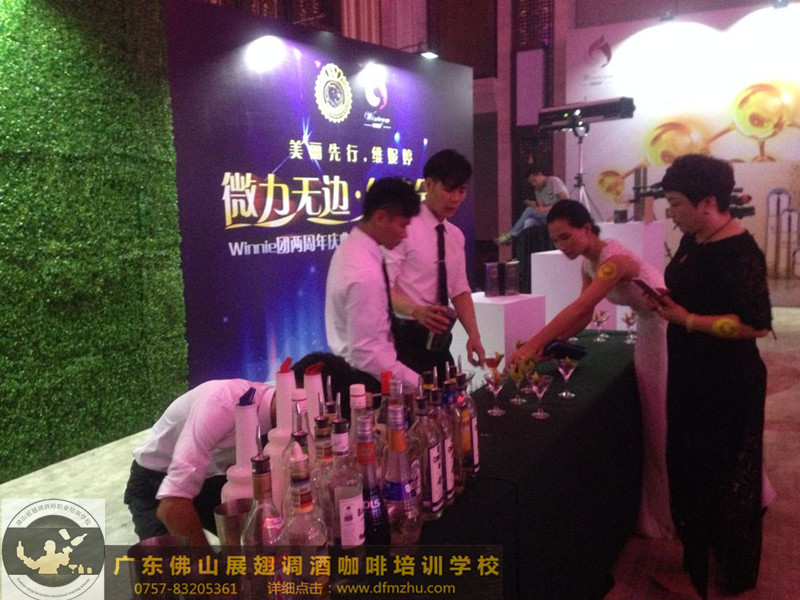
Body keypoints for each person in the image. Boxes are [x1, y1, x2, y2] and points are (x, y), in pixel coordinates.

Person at [509, 199, 674, 540]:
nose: (561, 246)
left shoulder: (613, 260)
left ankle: (672, 511)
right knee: (651, 417)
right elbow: (584, 316)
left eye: (566, 237)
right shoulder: (590, 263)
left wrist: (533, 343)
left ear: (586, 228)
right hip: (647, 332)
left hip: (667, 331)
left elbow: (580, 307)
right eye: (555, 240)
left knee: (661, 420)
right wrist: (545, 348)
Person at [653, 154, 772, 599]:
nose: (672, 213)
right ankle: (696, 568)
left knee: (717, 477)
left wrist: (687, 320)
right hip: (690, 375)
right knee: (688, 471)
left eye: (676, 204)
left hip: (726, 383)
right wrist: (666, 302)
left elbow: (755, 325)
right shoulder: (694, 239)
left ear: (707, 203)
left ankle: (714, 577)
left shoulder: (740, 252)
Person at [124, 379, 275, 546]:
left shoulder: (277, 408)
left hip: (209, 476)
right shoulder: (221, 404)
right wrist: (206, 560)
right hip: (155, 481)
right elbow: (171, 506)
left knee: (254, 540)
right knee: (173, 561)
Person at [386, 149, 485, 380]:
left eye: (461, 191)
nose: (455, 199)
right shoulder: (402, 227)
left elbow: (459, 291)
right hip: (401, 340)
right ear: (428, 184)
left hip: (439, 341)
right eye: (449, 189)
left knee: (449, 397)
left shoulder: (455, 235)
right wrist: (416, 311)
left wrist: (474, 335)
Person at [325, 176, 421, 390]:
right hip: (367, 381)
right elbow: (367, 354)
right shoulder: (364, 270)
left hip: (360, 373)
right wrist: (418, 384)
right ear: (380, 217)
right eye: (402, 225)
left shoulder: (351, 249)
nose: (405, 235)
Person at [496, 166, 569, 245]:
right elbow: (541, 208)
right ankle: (529, 248)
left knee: (529, 210)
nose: (534, 184)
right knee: (528, 222)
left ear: (540, 174)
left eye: (534, 181)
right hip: (547, 216)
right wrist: (535, 205)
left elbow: (565, 202)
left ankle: (511, 235)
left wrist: (545, 208)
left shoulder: (554, 181)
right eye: (531, 183)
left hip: (559, 215)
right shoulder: (537, 189)